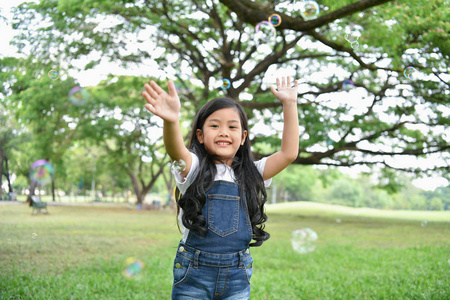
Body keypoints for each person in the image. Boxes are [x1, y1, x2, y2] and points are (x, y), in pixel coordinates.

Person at [142, 76, 299, 300]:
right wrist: (171, 121)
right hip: (194, 272)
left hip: (237, 275)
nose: (223, 132)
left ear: (243, 137)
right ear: (200, 135)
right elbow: (176, 151)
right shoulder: (193, 168)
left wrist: (290, 104)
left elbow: (288, 153)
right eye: (214, 126)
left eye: (232, 127)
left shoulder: (252, 173)